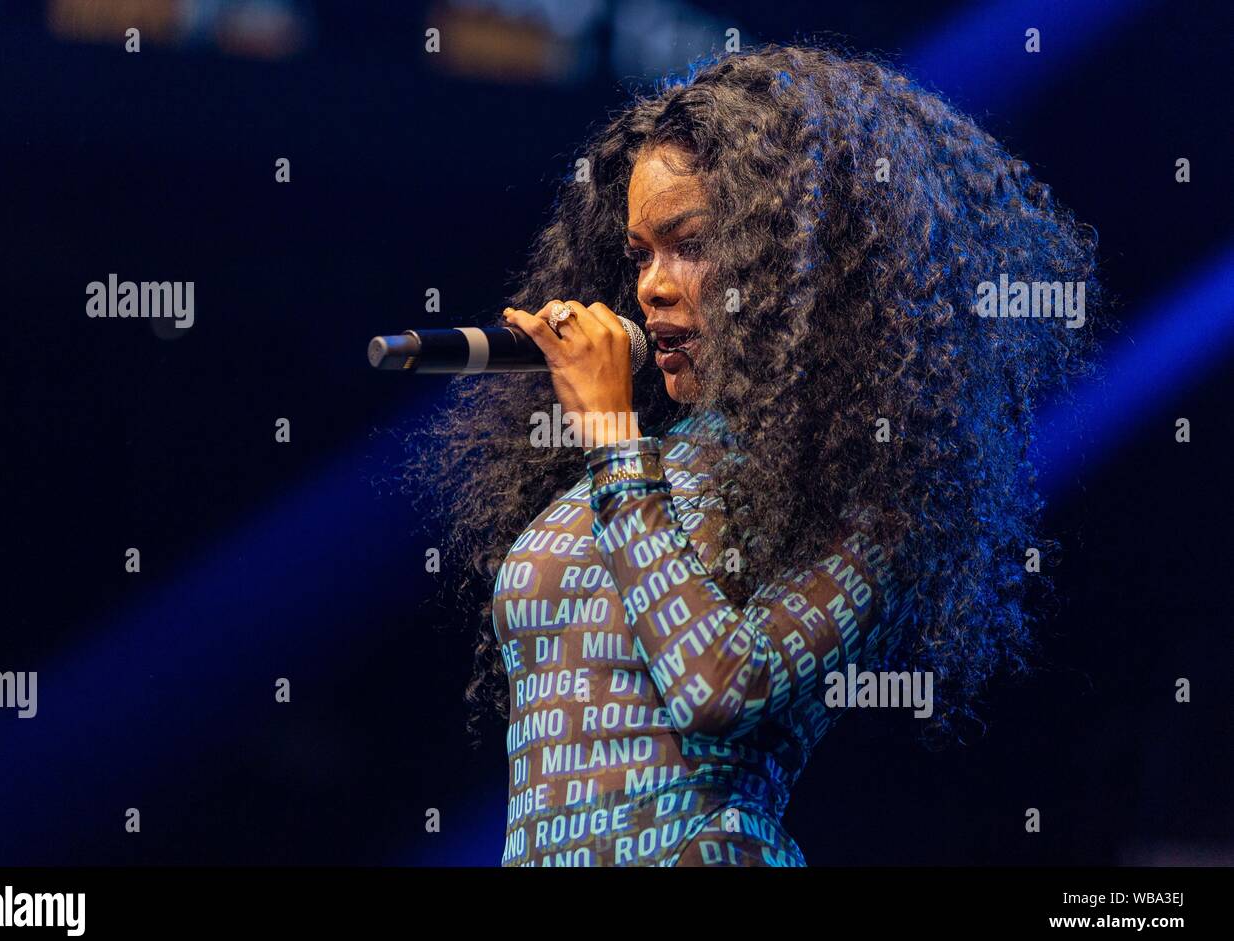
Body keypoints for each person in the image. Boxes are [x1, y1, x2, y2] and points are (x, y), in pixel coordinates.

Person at [403, 43, 1099, 866]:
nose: (652, 287)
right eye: (639, 256)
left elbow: (718, 688)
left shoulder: (873, 498)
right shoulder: (640, 461)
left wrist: (614, 445)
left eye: (688, 244)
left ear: (794, 264)